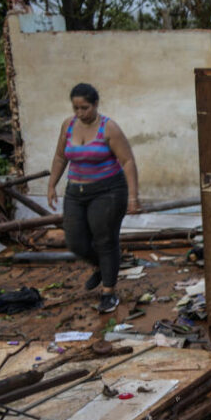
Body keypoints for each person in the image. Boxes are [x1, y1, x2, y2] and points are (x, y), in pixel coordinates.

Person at [47, 83, 142, 313]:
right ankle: (102, 266)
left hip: (108, 191)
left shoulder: (109, 129)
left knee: (105, 240)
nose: (80, 113)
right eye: (76, 108)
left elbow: (127, 161)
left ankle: (108, 292)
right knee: (75, 240)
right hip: (76, 192)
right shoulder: (68, 125)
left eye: (85, 108)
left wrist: (133, 196)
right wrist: (52, 185)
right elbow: (61, 157)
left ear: (96, 104)